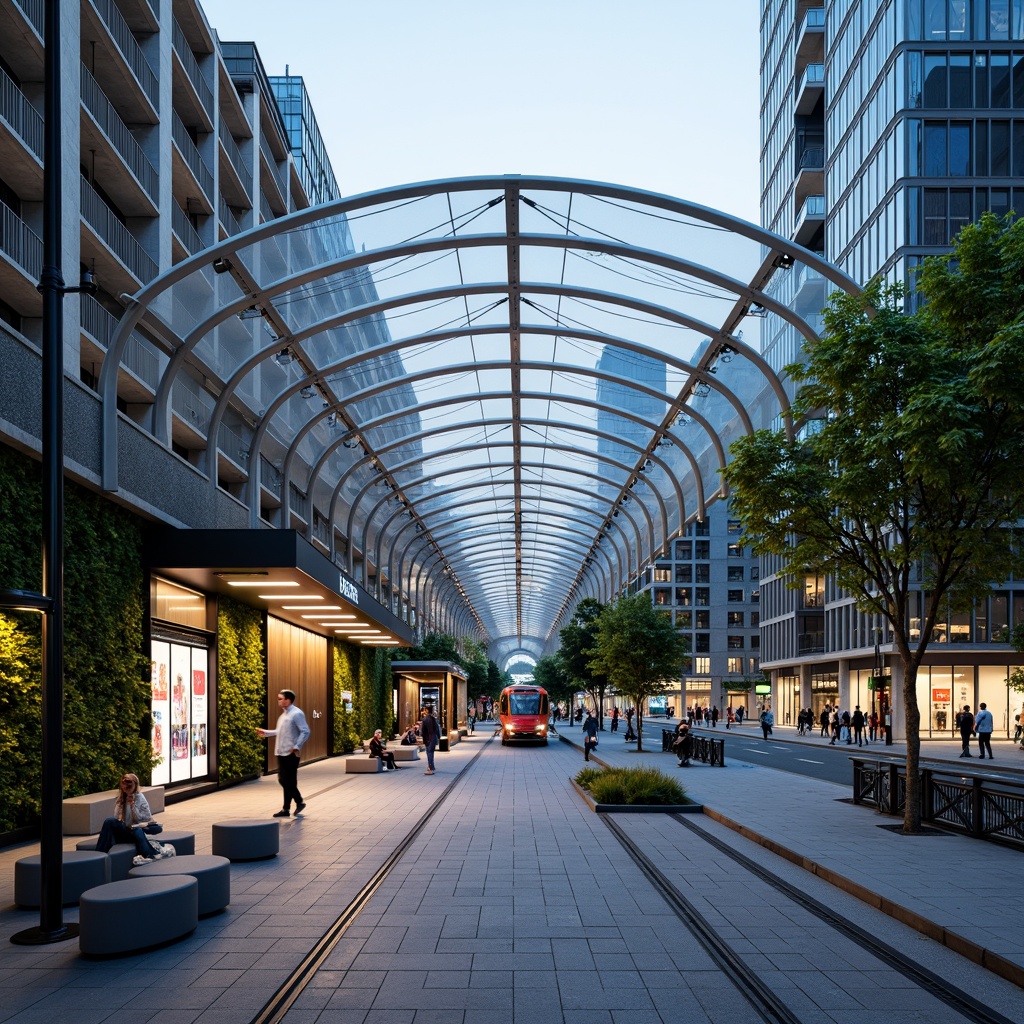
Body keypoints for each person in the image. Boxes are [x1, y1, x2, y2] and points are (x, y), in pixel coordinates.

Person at [96, 773, 173, 865]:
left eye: (128, 788)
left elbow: (146, 818)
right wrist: (120, 806)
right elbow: (117, 817)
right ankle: (99, 853)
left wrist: (133, 807)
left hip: (138, 830)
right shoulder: (122, 797)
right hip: (126, 829)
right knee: (109, 820)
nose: (126, 791)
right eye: (124, 789)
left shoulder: (140, 798)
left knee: (137, 830)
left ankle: (150, 854)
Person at [256, 689, 310, 817]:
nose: (279, 701)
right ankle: (286, 809)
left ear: (288, 700)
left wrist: (297, 746)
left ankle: (299, 801)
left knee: (286, 781)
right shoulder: (284, 715)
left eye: (280, 698)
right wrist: (266, 733)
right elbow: (279, 732)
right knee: (287, 781)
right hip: (281, 752)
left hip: (291, 753)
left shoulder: (296, 714)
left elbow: (305, 731)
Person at [420, 705, 440, 774]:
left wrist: (423, 736)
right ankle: (432, 767)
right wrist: (438, 737)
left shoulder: (425, 719)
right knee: (432, 752)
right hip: (433, 738)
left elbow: (422, 731)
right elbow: (437, 729)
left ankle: (430, 768)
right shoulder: (433, 719)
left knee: (429, 753)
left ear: (427, 711)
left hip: (427, 738)